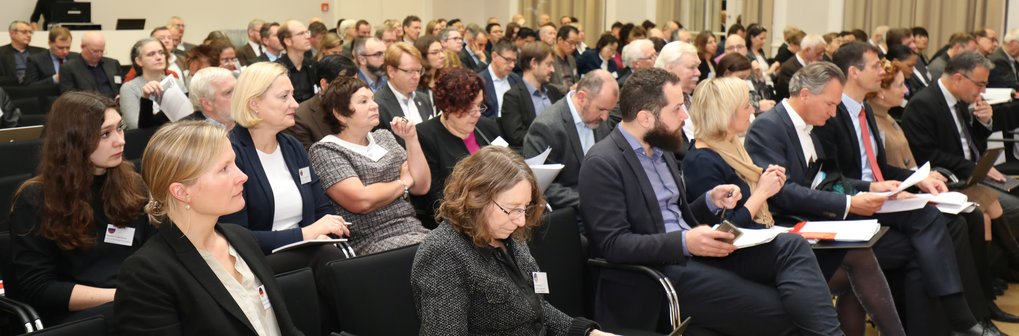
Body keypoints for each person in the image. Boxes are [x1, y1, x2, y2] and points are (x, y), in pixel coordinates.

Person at [579, 68, 842, 335]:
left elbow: (675, 217)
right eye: (677, 109)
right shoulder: (603, 163)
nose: (685, 116)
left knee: (791, 246)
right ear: (646, 118)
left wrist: (709, 202)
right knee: (787, 310)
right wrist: (684, 242)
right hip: (657, 273)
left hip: (694, 254)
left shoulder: (661, 150)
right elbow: (613, 245)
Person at [747, 61, 995, 335]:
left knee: (916, 248)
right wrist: (850, 202)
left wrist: (870, 187)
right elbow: (782, 193)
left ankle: (932, 327)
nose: (832, 113)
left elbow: (829, 180)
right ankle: (952, 321)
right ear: (805, 94)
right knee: (913, 240)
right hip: (798, 226)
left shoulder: (808, 124)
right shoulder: (768, 127)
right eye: (830, 104)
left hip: (824, 216)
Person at [682, 77, 906, 336]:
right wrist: (762, 191)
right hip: (741, 257)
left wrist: (767, 183)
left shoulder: (731, 146)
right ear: (726, 113)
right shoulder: (702, 160)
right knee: (857, 270)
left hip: (764, 241)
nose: (752, 110)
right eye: (746, 106)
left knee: (859, 255)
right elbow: (724, 233)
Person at [114, 121, 303, 335]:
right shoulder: (147, 274)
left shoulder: (241, 239)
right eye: (224, 169)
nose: (243, 176)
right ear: (181, 192)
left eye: (235, 163)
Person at [412, 146, 612, 336]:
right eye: (512, 208)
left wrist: (586, 332)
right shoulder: (444, 254)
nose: (521, 220)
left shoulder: (506, 233)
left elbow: (535, 309)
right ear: (476, 198)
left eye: (525, 208)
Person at [10, 92, 152, 330]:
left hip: (134, 301)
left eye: (120, 128)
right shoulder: (35, 199)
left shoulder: (131, 184)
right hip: (80, 317)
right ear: (74, 141)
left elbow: (153, 251)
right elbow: (39, 288)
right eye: (105, 134)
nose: (120, 141)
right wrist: (121, 295)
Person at [219, 62, 349, 256]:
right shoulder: (230, 153)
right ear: (254, 104)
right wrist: (306, 234)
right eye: (284, 97)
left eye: (293, 95)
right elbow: (236, 236)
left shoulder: (291, 146)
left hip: (308, 250)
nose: (295, 104)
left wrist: (326, 232)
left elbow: (322, 207)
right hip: (261, 259)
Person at [308, 76, 431, 255]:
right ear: (340, 114)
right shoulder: (326, 150)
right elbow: (362, 201)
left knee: (458, 243)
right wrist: (403, 182)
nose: (375, 105)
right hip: (370, 240)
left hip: (412, 228)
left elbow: (421, 186)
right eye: (364, 101)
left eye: (372, 99)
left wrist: (411, 139)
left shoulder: (384, 137)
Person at [415, 67, 501, 229]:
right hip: (459, 224)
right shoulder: (425, 136)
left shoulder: (487, 128)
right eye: (469, 108)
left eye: (480, 105)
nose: (477, 113)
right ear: (448, 107)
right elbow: (435, 201)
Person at [523, 70, 616, 211]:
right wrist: (590, 202)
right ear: (581, 97)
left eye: (609, 110)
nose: (605, 117)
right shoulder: (546, 127)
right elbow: (539, 184)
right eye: (601, 109)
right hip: (572, 213)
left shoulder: (600, 118)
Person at [499, 42, 564, 148]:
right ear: (533, 63)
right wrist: (548, 141)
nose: (553, 69)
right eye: (548, 64)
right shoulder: (513, 97)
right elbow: (516, 137)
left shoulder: (553, 92)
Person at [289, 56, 357, 150]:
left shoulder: (359, 106)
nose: (354, 88)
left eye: (355, 81)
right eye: (345, 83)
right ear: (324, 84)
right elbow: (310, 159)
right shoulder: (301, 117)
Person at [120, 38, 189, 130]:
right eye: (151, 54)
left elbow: (188, 118)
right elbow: (135, 126)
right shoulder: (129, 88)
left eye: (161, 53)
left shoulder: (176, 82)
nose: (159, 57)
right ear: (139, 61)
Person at [376, 42, 435, 130]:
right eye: (409, 71)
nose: (417, 77)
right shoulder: (378, 105)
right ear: (391, 71)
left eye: (418, 71)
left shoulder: (424, 99)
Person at [58, 32, 122, 98]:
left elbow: (120, 87)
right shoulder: (69, 68)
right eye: (95, 51)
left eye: (102, 51)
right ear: (82, 47)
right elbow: (69, 97)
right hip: (87, 106)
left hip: (114, 105)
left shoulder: (113, 64)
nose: (99, 55)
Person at [276, 20, 318, 103]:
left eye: (307, 32)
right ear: (288, 41)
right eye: (301, 34)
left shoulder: (313, 65)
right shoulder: (277, 69)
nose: (307, 37)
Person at [774, 34, 826, 100]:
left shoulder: (820, 64)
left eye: (823, 53)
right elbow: (797, 94)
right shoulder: (788, 68)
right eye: (818, 53)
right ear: (807, 50)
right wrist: (811, 71)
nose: (821, 57)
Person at [479, 40, 521, 118]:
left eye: (514, 61)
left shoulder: (516, 79)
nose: (512, 65)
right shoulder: (479, 82)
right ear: (494, 56)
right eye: (508, 60)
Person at [549, 25, 580, 93]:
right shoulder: (548, 58)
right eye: (571, 43)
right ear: (560, 40)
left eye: (575, 44)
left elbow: (576, 78)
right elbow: (545, 84)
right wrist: (568, 89)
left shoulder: (571, 59)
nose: (573, 47)